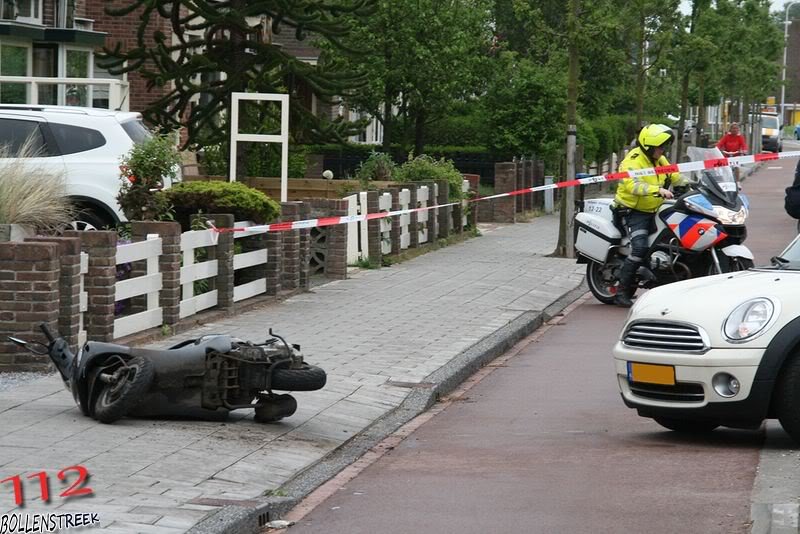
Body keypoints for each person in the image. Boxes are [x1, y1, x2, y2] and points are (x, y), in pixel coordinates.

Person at [612, 123, 685, 308]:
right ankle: (621, 292)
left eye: (664, 146)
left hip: (655, 209)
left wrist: (695, 184)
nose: (663, 150)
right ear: (649, 146)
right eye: (660, 146)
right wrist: (657, 190)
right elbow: (632, 185)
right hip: (633, 212)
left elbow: (675, 176)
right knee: (639, 248)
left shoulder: (659, 159)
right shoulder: (632, 161)